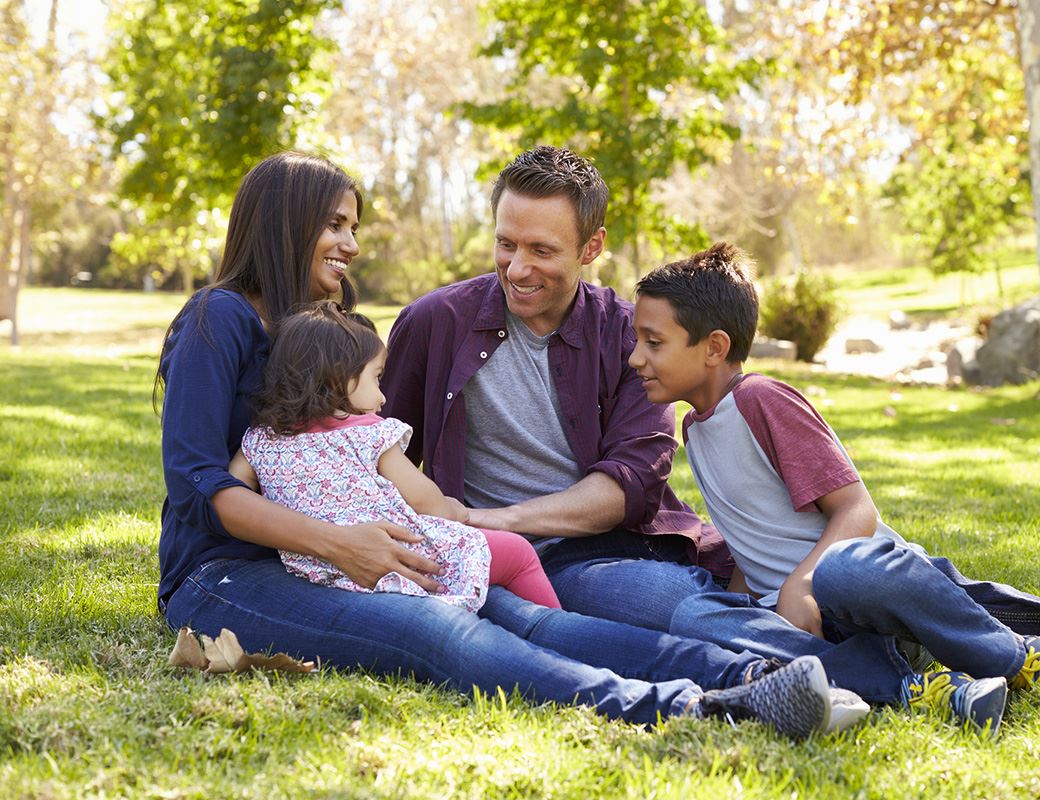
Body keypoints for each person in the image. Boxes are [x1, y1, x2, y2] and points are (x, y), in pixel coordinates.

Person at [381, 145, 1040, 713]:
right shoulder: (434, 324)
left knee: (892, 582)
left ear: (591, 246)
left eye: (542, 249)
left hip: (620, 545)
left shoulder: (628, 335)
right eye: (505, 245)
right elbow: (383, 444)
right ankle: (912, 681)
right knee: (735, 610)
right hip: (525, 561)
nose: (518, 267)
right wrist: (446, 533)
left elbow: (627, 487)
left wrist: (488, 517)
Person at [156, 150, 851, 740]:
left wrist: (421, 535)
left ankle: (758, 677)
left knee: (524, 617)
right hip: (227, 574)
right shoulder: (219, 318)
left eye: (352, 226)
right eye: (335, 225)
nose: (352, 244)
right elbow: (199, 485)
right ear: (287, 223)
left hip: (342, 558)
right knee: (441, 633)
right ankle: (695, 706)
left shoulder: (312, 328)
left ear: (589, 248)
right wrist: (342, 543)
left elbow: (364, 448)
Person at [627, 241, 1040, 728]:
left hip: (870, 582)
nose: (635, 358)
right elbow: (750, 538)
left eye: (654, 342)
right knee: (696, 615)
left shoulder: (761, 400)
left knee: (892, 583)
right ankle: (912, 679)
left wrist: (802, 584)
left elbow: (857, 511)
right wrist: (745, 606)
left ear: (714, 347)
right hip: (820, 622)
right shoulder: (694, 431)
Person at [227, 300, 560, 610]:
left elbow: (234, 491)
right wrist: (453, 510)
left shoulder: (259, 440)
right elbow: (427, 502)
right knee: (518, 554)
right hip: (402, 560)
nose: (383, 396)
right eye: (377, 377)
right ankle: (554, 622)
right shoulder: (370, 434)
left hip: (318, 571)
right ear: (341, 378)